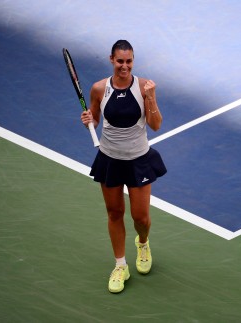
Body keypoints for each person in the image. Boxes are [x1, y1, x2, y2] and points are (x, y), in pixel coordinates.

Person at [80, 40, 167, 293]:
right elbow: (94, 119)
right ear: (111, 60)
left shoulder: (143, 87)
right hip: (110, 159)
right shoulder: (99, 88)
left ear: (133, 61)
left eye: (128, 61)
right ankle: (120, 265)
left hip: (139, 160)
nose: (124, 66)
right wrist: (88, 119)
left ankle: (143, 243)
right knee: (114, 213)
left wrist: (150, 98)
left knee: (140, 217)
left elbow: (156, 124)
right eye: (120, 61)